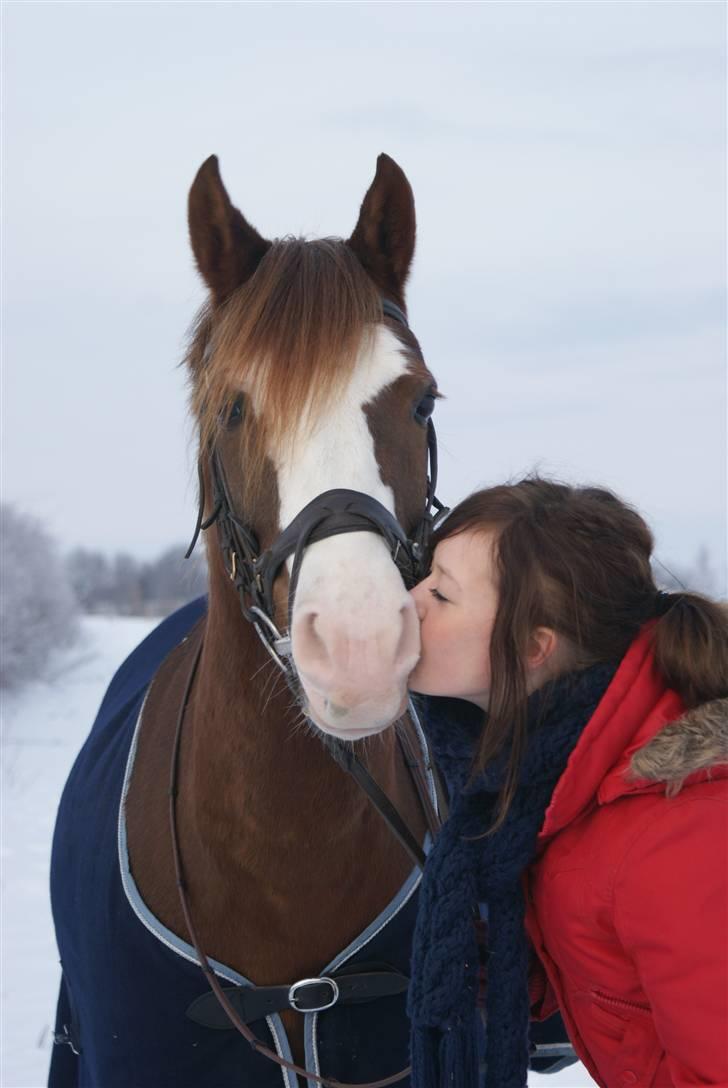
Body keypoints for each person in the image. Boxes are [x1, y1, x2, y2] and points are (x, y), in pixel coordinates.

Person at [405, 477, 727, 1088]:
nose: (409, 601)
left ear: (532, 648)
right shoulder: (553, 779)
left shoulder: (679, 835)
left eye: (441, 594)